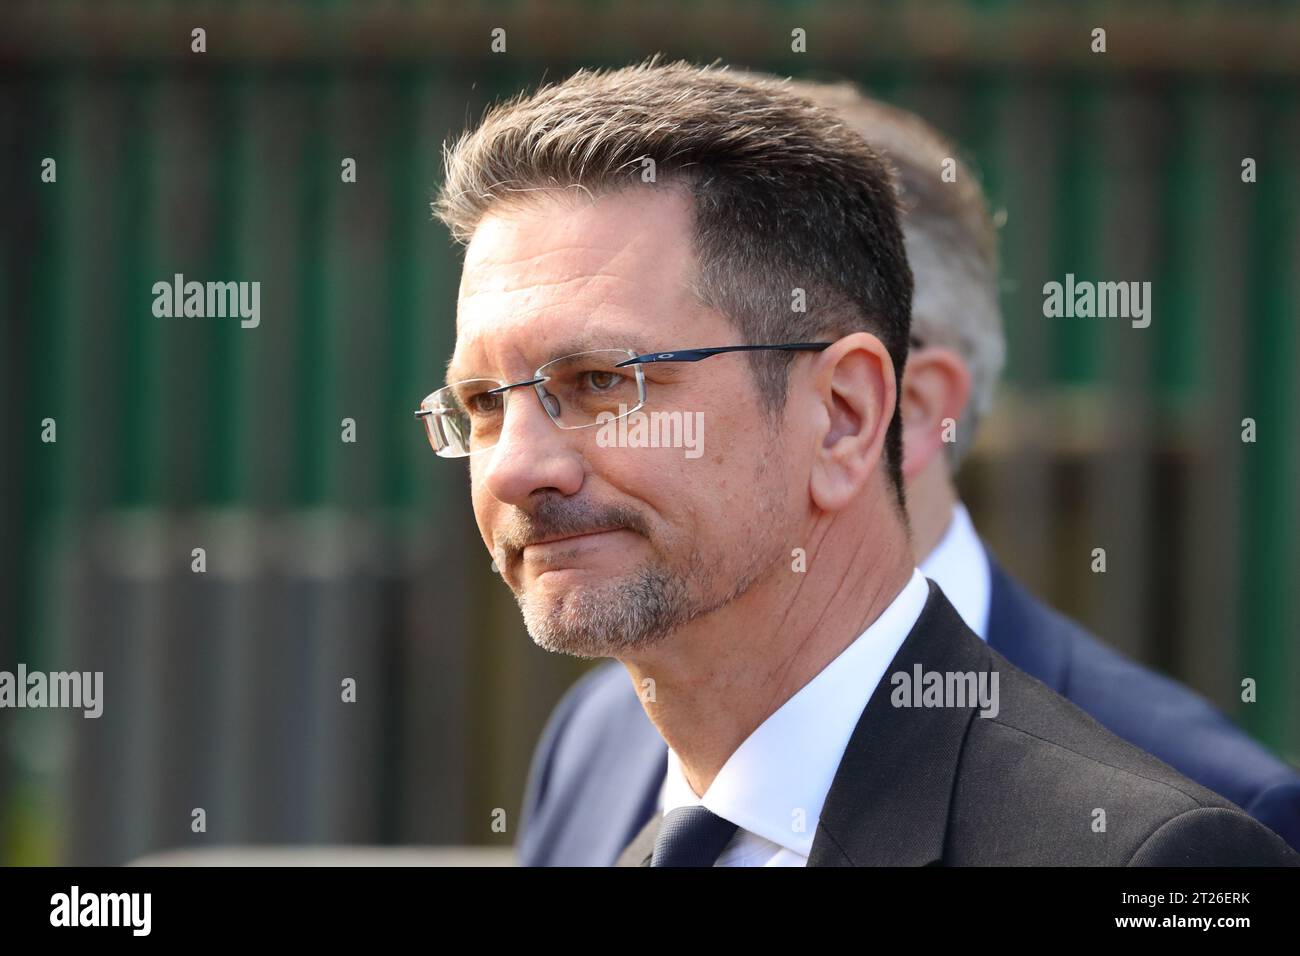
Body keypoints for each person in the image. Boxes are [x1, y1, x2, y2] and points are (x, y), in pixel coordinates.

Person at [426, 59, 1299, 865]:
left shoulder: (1152, 859)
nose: (514, 468)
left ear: (844, 418)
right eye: (484, 403)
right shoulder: (613, 775)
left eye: (599, 382)